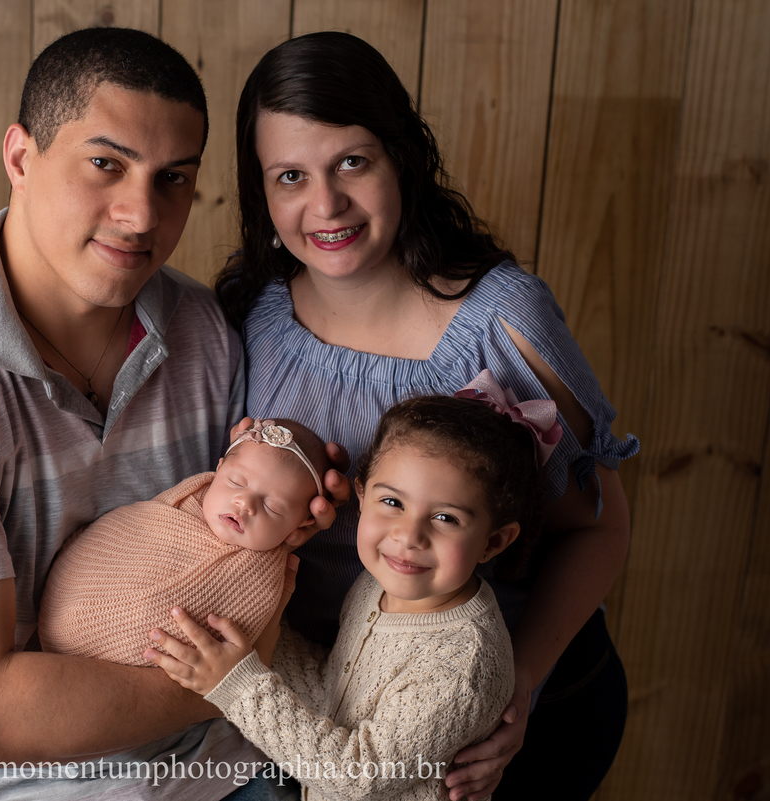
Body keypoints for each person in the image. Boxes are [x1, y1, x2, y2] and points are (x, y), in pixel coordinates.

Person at [0, 28, 342, 801]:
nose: (140, 214)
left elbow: (239, 543)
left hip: (224, 771)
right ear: (20, 158)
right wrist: (244, 674)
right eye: (106, 164)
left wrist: (298, 513)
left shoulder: (204, 329)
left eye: (173, 178)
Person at [214, 32, 640, 801]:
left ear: (402, 156)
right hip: (317, 708)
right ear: (262, 192)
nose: (326, 204)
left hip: (480, 736)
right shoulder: (253, 308)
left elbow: (598, 525)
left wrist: (520, 693)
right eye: (290, 176)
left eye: (352, 161)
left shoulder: (500, 324)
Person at [148, 383, 557, 800]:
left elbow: (355, 775)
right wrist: (249, 638)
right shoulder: (377, 585)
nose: (408, 536)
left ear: (493, 542)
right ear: (361, 495)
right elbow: (336, 693)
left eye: (445, 518)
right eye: (393, 503)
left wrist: (237, 684)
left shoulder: (461, 666)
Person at [40, 418, 330, 666]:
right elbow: (128, 535)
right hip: (73, 592)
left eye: (273, 507)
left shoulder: (259, 577)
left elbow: (230, 646)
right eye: (236, 482)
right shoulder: (187, 500)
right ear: (218, 469)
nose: (245, 503)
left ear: (300, 525)